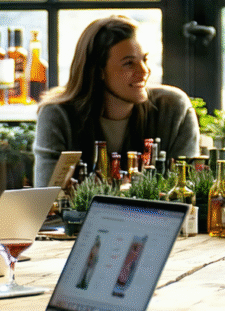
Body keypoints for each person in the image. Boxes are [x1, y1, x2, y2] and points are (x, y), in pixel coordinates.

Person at [33, 15, 199, 186]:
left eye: (145, 59)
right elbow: (46, 195)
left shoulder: (172, 108)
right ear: (98, 71)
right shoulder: (58, 115)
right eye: (129, 63)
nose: (144, 71)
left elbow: (186, 189)